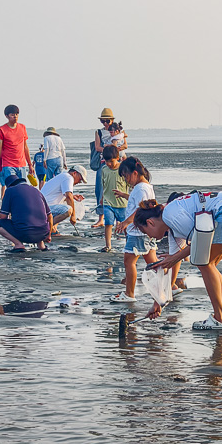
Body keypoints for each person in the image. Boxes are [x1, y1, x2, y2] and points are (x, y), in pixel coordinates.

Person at [134, 191, 222, 332]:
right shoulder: (172, 225)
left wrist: (175, 257)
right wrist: (158, 302)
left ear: (150, 222)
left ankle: (220, 318)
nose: (149, 237)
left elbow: (199, 240)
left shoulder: (170, 215)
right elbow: (172, 267)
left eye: (145, 232)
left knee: (203, 262)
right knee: (209, 264)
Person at [110, 157, 156, 303]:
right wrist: (124, 195)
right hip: (145, 231)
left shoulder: (141, 188)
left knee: (129, 262)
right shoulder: (145, 186)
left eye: (126, 176)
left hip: (138, 232)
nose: (126, 180)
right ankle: (171, 286)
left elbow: (140, 208)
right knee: (154, 263)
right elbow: (138, 202)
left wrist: (125, 223)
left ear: (135, 173)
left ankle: (129, 294)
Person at [0, 175, 52, 252]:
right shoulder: (36, 191)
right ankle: (41, 245)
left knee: (0, 224)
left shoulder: (10, 191)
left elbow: (3, 217)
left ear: (9, 186)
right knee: (36, 220)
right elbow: (49, 216)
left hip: (26, 234)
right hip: (43, 233)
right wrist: (49, 235)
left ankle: (18, 245)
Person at [0, 105, 30, 200]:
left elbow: (25, 147)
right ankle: (10, 212)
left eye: (17, 114)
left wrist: (30, 164)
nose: (15, 117)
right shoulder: (2, 130)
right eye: (12, 115)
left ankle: (21, 210)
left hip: (21, 164)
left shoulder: (22, 127)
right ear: (7, 116)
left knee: (23, 190)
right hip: (8, 165)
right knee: (11, 189)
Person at [40, 165, 88, 235]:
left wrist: (73, 197)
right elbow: (68, 196)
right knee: (68, 209)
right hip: (44, 208)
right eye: (80, 179)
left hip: (43, 206)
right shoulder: (68, 178)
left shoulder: (63, 176)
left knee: (67, 204)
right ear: (74, 173)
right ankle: (46, 228)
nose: (79, 182)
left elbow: (60, 195)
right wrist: (73, 216)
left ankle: (53, 228)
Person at [100, 145, 129, 252]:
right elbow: (104, 184)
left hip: (122, 204)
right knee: (108, 224)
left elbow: (129, 184)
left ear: (117, 158)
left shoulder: (123, 169)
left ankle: (128, 244)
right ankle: (108, 245)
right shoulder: (104, 170)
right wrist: (102, 197)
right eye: (106, 161)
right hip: (108, 202)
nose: (109, 164)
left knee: (124, 225)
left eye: (111, 161)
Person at [92, 109, 115, 227]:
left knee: (115, 188)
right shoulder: (99, 132)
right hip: (103, 162)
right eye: (103, 121)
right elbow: (97, 147)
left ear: (112, 120)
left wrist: (107, 147)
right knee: (100, 189)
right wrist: (109, 148)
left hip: (116, 163)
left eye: (107, 121)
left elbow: (122, 146)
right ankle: (101, 217)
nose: (105, 124)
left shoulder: (117, 131)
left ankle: (117, 217)